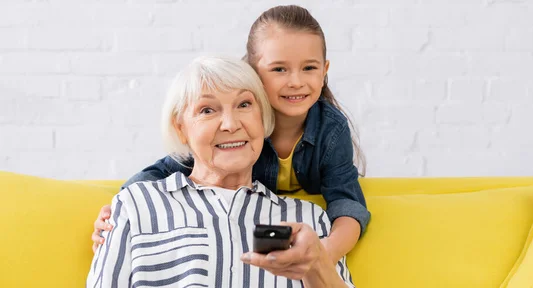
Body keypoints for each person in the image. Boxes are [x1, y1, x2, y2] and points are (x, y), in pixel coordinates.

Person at [92, 5, 370, 265]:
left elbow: (347, 202)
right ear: (252, 72)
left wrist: (327, 252)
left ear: (325, 70)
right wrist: (117, 210)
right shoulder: (236, 131)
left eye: (309, 67)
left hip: (285, 217)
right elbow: (163, 170)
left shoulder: (331, 130)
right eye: (279, 69)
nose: (295, 81)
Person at [87, 56, 354, 288]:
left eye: (244, 105)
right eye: (207, 110)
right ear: (180, 128)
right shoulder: (136, 205)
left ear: (263, 119)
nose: (230, 124)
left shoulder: (306, 220)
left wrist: (317, 265)